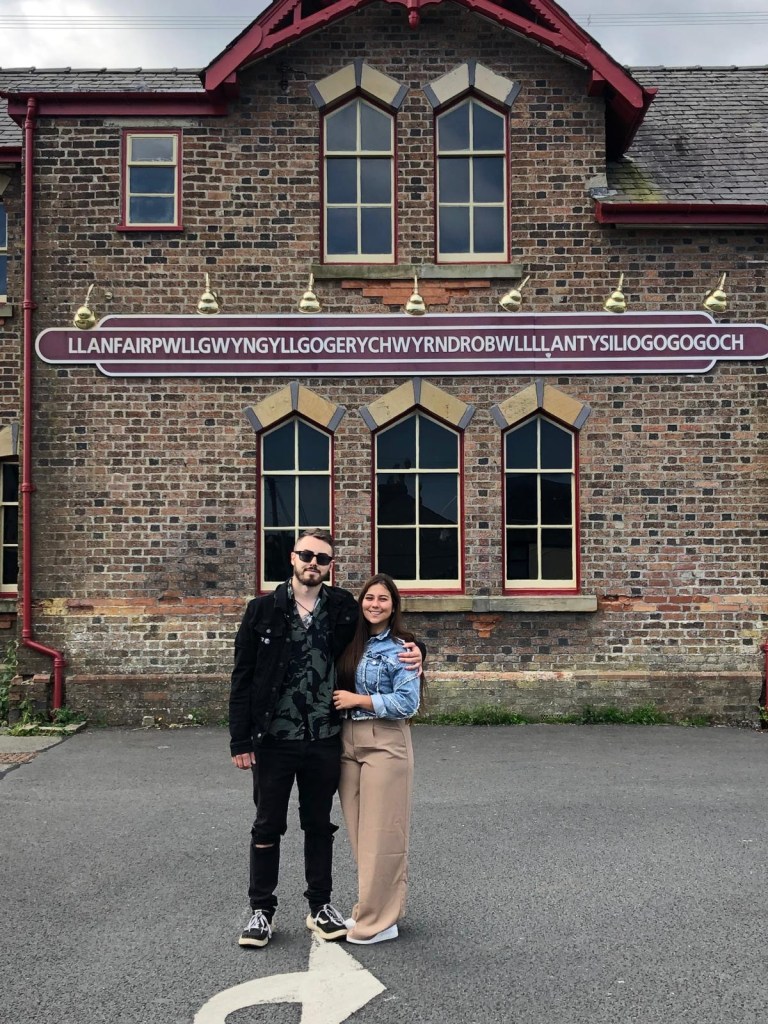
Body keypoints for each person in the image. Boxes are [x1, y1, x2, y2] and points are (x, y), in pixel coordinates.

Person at [229, 530, 422, 949]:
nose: (313, 563)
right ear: (292, 558)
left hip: (324, 738)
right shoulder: (262, 610)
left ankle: (320, 905)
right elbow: (242, 677)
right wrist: (239, 741)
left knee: (319, 824)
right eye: (306, 555)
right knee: (267, 824)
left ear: (330, 566)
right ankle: (261, 910)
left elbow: (381, 628)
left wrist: (417, 649)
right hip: (274, 739)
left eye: (322, 558)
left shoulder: (340, 607)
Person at [332, 573, 422, 945]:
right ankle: (368, 909)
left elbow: (408, 702)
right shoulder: (349, 642)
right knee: (360, 834)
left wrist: (358, 700)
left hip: (385, 740)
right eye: (370, 598)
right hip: (347, 742)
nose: (375, 605)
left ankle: (383, 921)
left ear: (394, 606)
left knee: (384, 834)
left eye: (383, 599)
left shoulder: (402, 648)